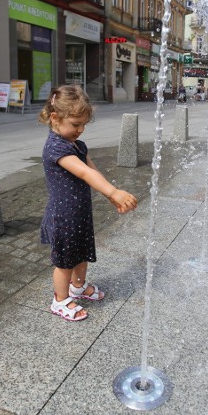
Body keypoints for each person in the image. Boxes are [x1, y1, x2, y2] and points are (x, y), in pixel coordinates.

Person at [38, 85, 137, 322]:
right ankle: (60, 301)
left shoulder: (77, 146)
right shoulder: (56, 147)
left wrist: (111, 196)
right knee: (64, 261)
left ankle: (78, 288)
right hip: (63, 215)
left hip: (79, 212)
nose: (80, 130)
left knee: (81, 253)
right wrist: (114, 191)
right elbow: (84, 173)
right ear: (55, 118)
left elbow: (94, 172)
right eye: (75, 124)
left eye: (84, 124)